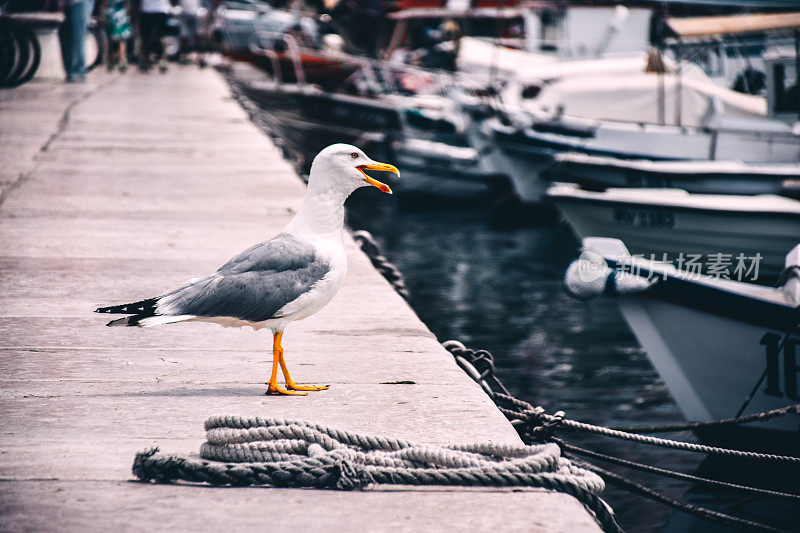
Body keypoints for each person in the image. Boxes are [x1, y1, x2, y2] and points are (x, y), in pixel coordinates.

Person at [59, 0, 95, 82]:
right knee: (65, 37)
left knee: (77, 38)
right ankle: (70, 71)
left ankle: (78, 71)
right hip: (67, 4)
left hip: (80, 2)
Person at [138, 0, 169, 72]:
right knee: (146, 38)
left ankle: (162, 60)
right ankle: (146, 60)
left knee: (160, 37)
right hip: (149, 9)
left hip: (159, 9)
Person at [102, 0, 131, 71]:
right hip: (112, 11)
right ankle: (111, 60)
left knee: (121, 38)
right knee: (112, 37)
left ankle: (121, 59)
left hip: (120, 11)